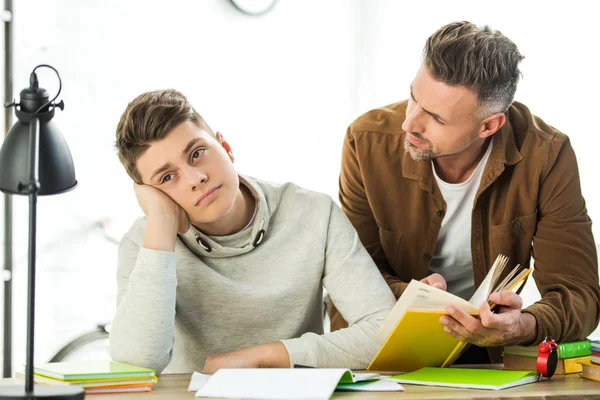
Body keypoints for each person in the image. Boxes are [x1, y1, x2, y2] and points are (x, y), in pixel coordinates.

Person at [328, 21, 600, 363]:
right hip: (377, 349)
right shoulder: (365, 141)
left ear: (489, 125)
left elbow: (580, 296)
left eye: (436, 119)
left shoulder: (546, 155)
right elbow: (350, 275)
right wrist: (412, 298)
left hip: (485, 357)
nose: (409, 123)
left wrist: (523, 325)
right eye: (413, 96)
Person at [108, 89, 395, 375]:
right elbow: (137, 364)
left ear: (226, 147)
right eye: (167, 178)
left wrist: (264, 357)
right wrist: (160, 222)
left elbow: (385, 331)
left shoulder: (314, 214)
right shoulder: (145, 242)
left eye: (197, 154)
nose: (196, 179)